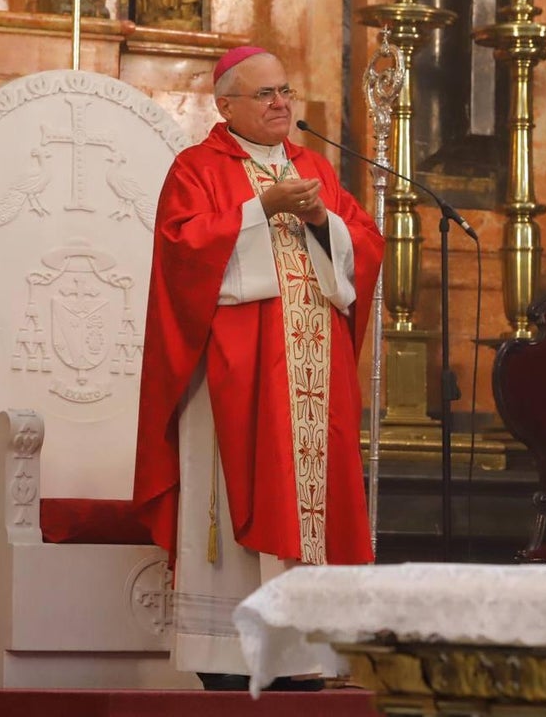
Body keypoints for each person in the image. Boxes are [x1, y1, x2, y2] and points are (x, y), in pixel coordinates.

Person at [132, 46, 384, 689]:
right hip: (232, 383)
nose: (281, 105)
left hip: (311, 379)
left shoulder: (315, 169)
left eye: (286, 92)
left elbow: (364, 252)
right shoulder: (197, 169)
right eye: (265, 94)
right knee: (237, 510)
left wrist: (321, 217)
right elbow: (181, 253)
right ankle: (226, 658)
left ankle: (305, 656)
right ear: (226, 106)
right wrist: (261, 210)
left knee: (312, 502)